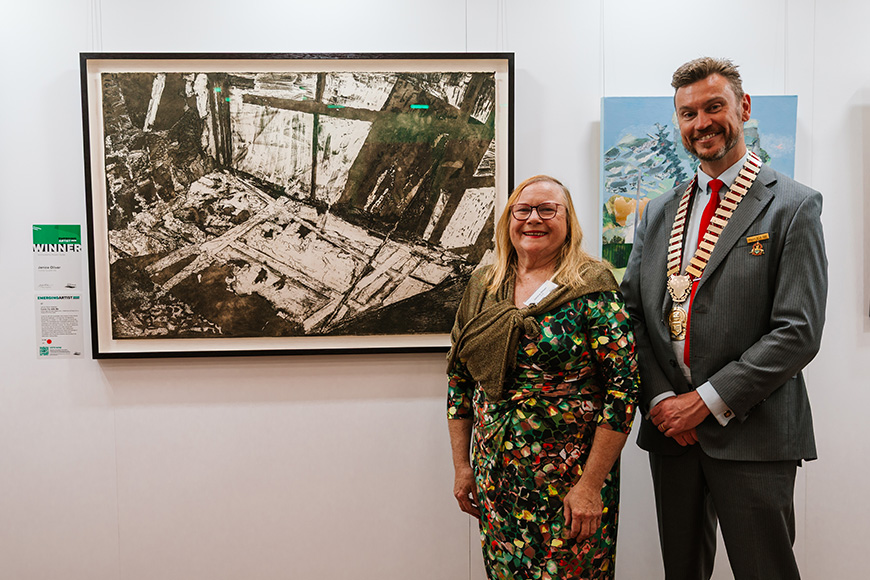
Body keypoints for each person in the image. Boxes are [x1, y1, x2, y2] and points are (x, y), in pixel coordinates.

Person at [621, 57, 827, 580]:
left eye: (714, 107)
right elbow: (633, 317)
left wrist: (706, 403)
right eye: (688, 113)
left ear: (744, 107)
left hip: (753, 436)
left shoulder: (794, 207)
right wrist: (665, 401)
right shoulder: (656, 212)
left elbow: (797, 331)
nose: (702, 123)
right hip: (673, 435)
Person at [446, 175, 639, 579]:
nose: (533, 219)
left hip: (570, 481)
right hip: (496, 474)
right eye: (523, 209)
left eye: (548, 209)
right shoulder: (484, 285)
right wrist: (462, 466)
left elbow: (623, 390)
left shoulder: (593, 287)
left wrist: (591, 486)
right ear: (509, 220)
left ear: (568, 221)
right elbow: (460, 379)